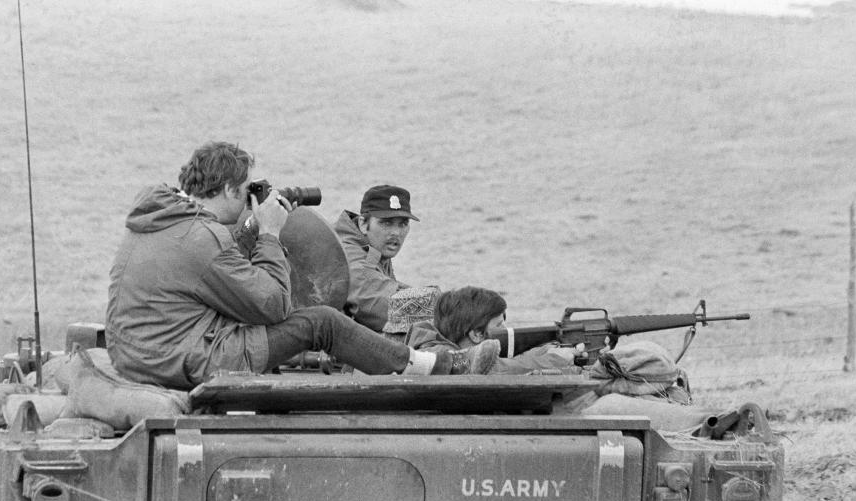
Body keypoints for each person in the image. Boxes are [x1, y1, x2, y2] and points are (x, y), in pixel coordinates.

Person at [105, 141, 499, 390]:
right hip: (183, 359)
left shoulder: (159, 221)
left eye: (401, 224)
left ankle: (431, 361)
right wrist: (270, 233)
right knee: (322, 322)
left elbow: (214, 282)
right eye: (244, 193)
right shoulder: (199, 238)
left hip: (146, 352)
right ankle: (434, 368)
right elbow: (274, 304)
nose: (395, 232)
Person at [407, 286, 580, 374]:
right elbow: (493, 368)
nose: (505, 330)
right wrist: (552, 360)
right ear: (476, 334)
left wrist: (541, 352)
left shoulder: (431, 345)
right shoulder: (440, 354)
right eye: (498, 325)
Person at [333, 185, 416, 331]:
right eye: (386, 223)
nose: (396, 232)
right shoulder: (348, 253)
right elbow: (381, 302)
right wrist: (448, 307)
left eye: (403, 223)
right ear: (363, 224)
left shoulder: (374, 248)